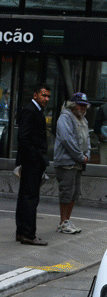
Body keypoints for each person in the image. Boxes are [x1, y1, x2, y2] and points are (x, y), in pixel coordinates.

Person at [15, 84, 51, 246]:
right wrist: (36, 157)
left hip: (32, 161)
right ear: (35, 95)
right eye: (43, 95)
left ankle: (22, 232)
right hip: (32, 162)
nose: (46, 99)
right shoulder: (30, 111)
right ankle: (28, 234)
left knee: (26, 197)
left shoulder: (34, 110)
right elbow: (23, 137)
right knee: (30, 198)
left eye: (48, 96)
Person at [54, 93, 91, 234]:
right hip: (66, 162)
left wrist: (86, 155)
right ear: (73, 105)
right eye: (80, 104)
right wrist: (80, 156)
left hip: (78, 162)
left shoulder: (83, 120)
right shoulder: (65, 117)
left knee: (74, 193)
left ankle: (67, 220)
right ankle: (63, 222)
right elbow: (66, 139)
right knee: (66, 192)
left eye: (84, 105)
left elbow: (87, 139)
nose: (83, 107)